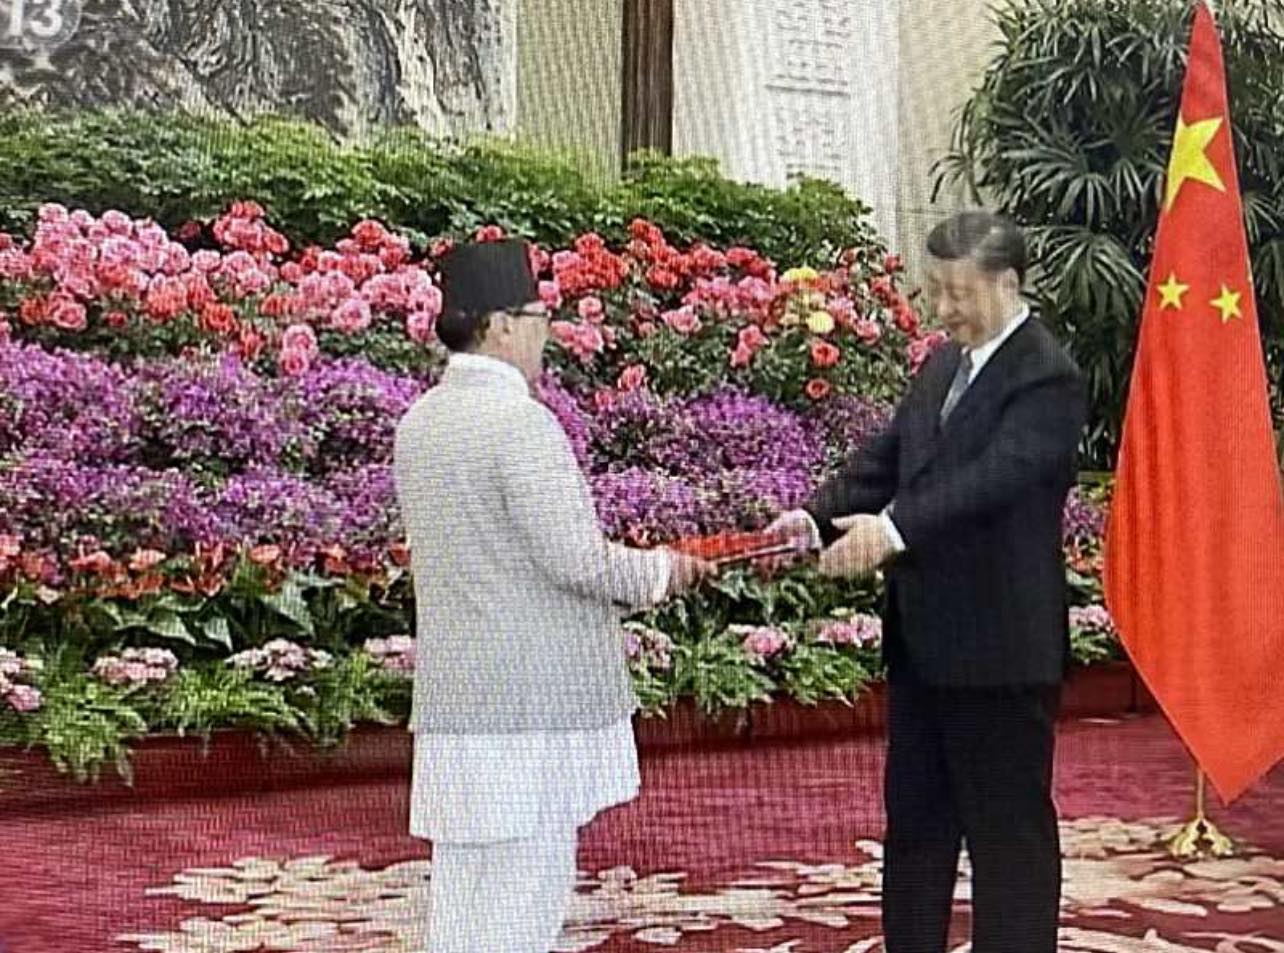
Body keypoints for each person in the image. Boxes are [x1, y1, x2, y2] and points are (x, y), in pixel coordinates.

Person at [771, 211, 1087, 953]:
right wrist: (815, 518)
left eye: (959, 292)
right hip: (923, 644)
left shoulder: (1047, 375)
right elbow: (890, 456)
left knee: (1007, 838)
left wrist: (890, 532)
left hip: (1001, 651)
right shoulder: (944, 364)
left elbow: (993, 480)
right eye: (935, 289)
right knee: (915, 827)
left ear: (1008, 284)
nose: (942, 308)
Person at [392, 239, 714, 953]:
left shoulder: (418, 423)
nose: (547, 333)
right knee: (524, 897)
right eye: (539, 317)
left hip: (459, 698)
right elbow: (576, 560)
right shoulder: (520, 423)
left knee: (463, 897)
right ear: (501, 325)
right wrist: (662, 571)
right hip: (532, 703)